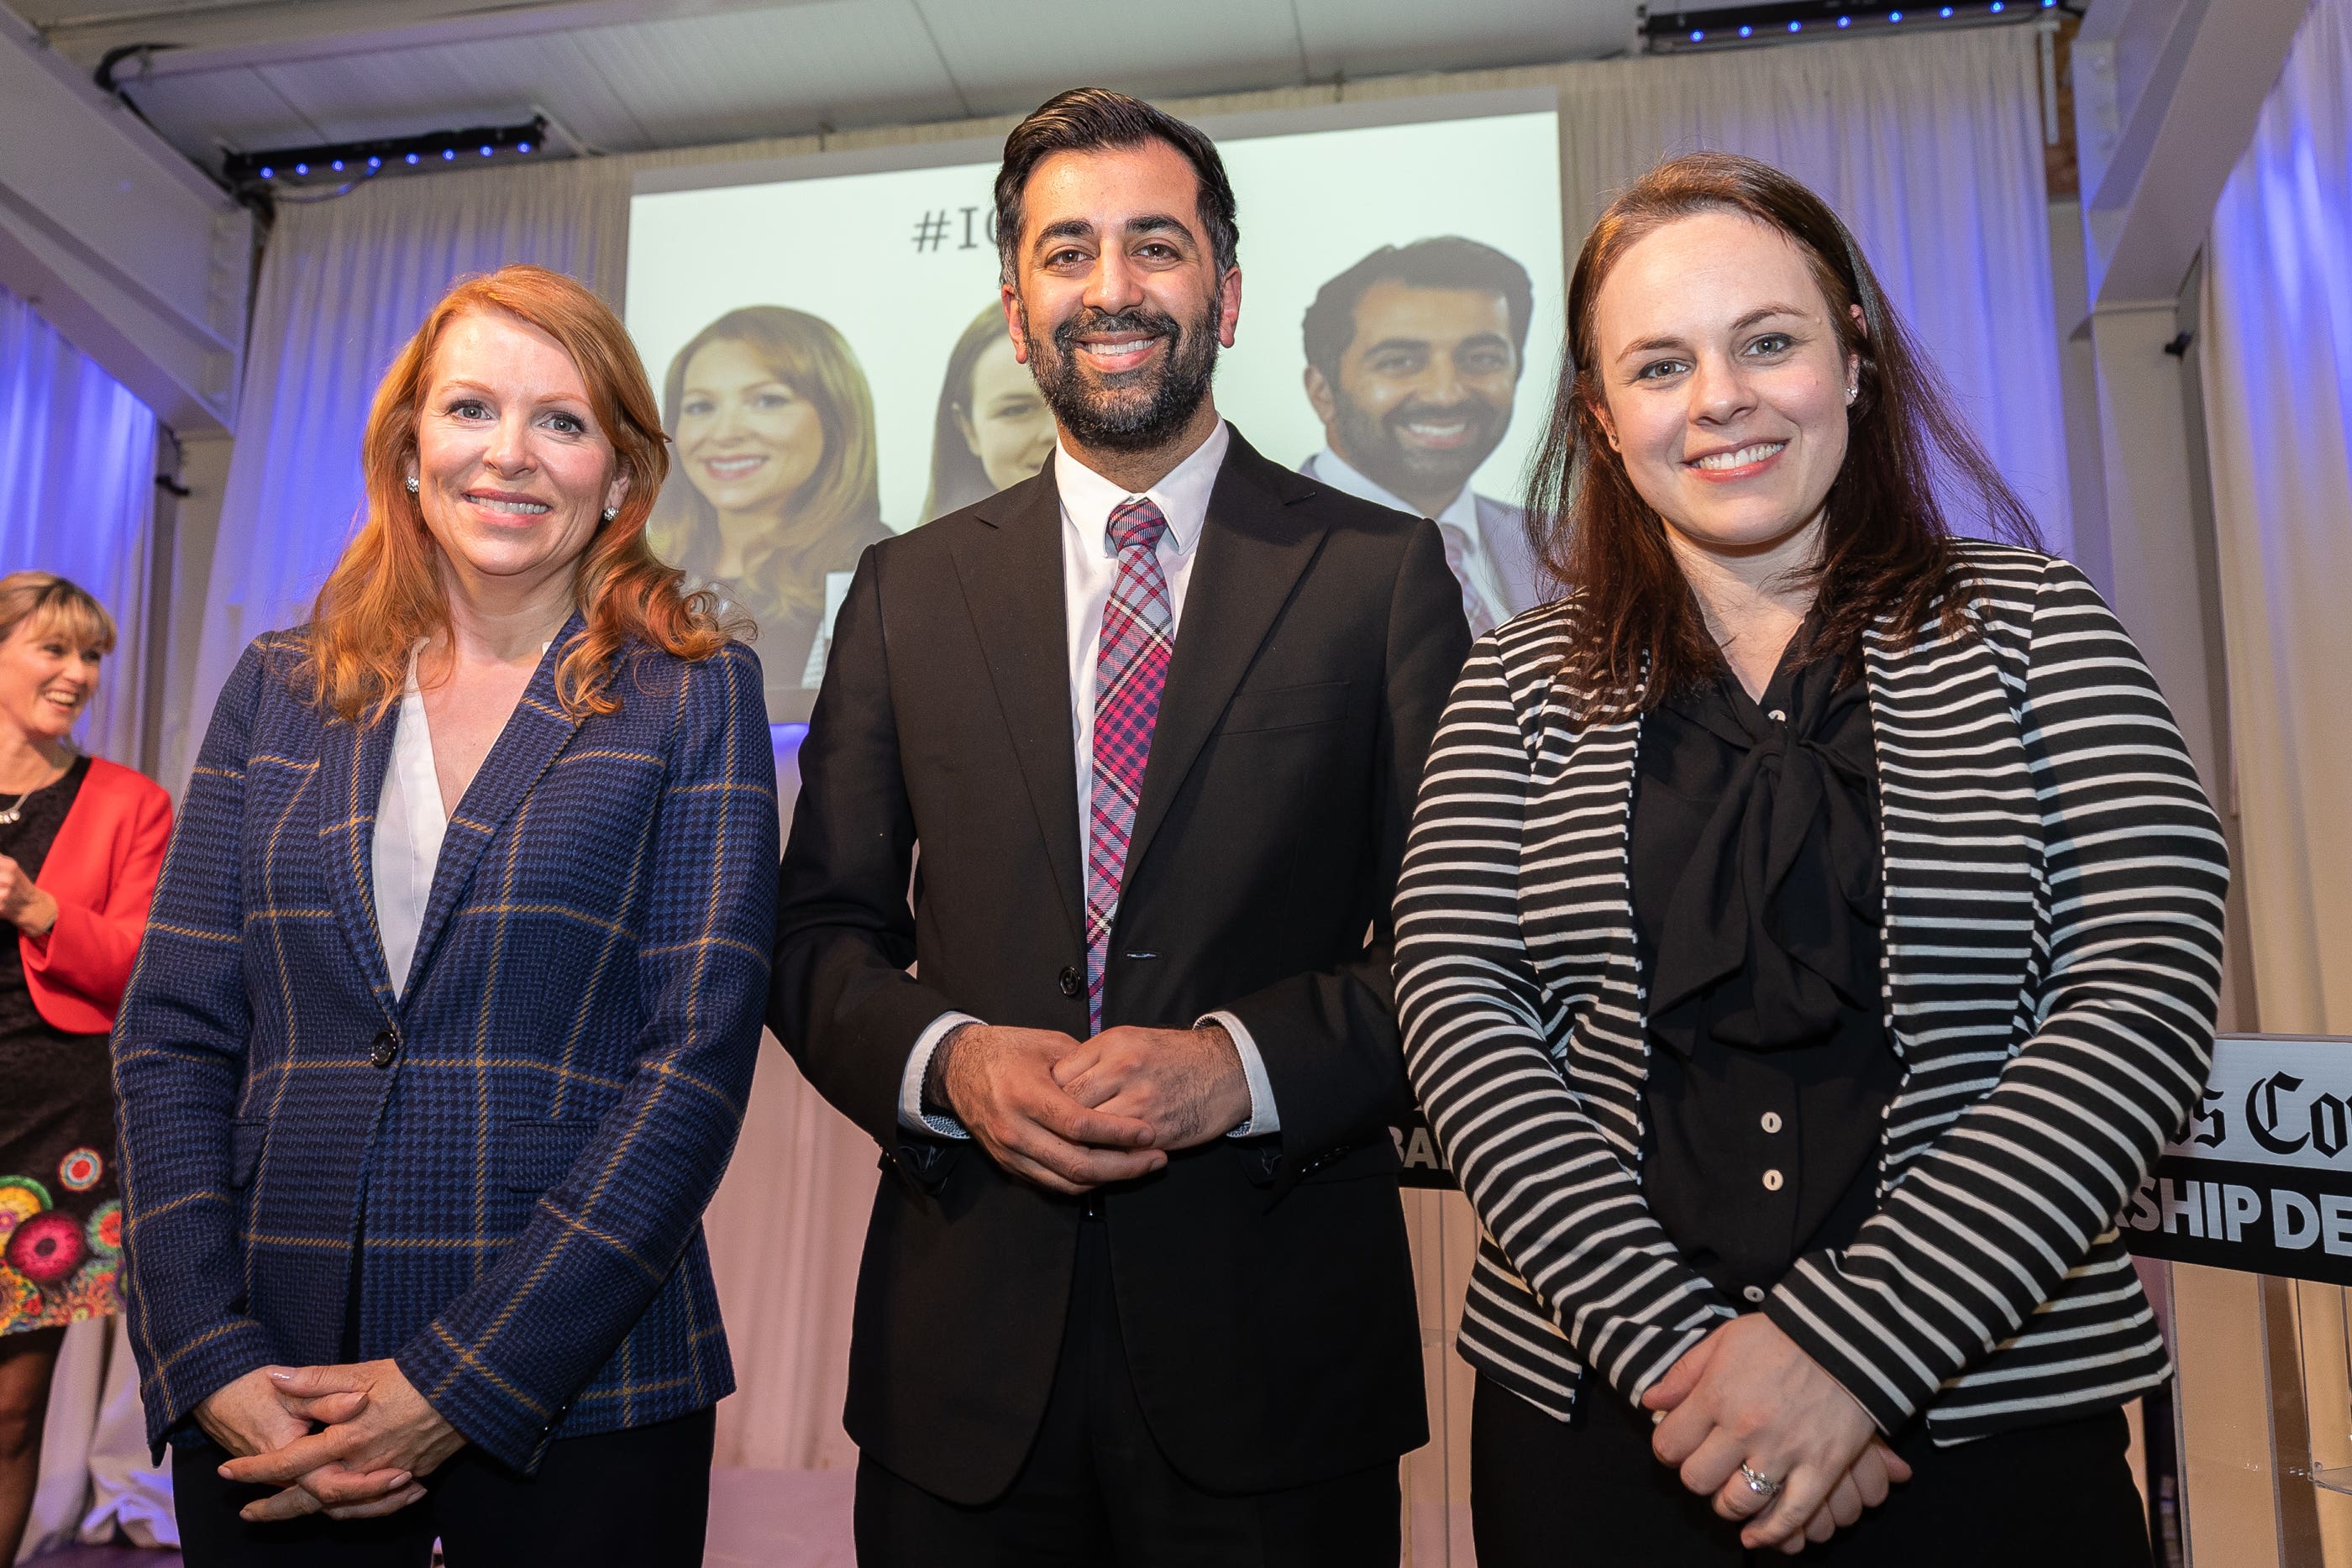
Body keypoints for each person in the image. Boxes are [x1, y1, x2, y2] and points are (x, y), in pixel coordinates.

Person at [1394, 151, 2228, 1565]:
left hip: (1989, 1421)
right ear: (1603, 417)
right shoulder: (1520, 679)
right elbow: (1460, 1008)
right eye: (1661, 365)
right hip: (1611, 1430)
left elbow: (2139, 994)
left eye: (1767, 342)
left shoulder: (2041, 629)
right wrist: (1688, 1363)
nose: (1720, 397)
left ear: (1854, 356)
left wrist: (1850, 1357)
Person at [771, 87, 1468, 1564]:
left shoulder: (1381, 576)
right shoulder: (901, 592)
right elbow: (819, 934)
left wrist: (1241, 1067)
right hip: (959, 1369)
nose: (1113, 288)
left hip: (1278, 1360)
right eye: (1066, 252)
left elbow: (1457, 949)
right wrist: (947, 1060)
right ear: (1016, 309)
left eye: (1156, 246)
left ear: (1225, 284)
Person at [113, 263, 779, 1567]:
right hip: (268, 1378)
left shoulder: (693, 697)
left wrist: (455, 1388)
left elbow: (690, 1068)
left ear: (622, 476)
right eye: (471, 409)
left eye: (563, 421)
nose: (510, 455)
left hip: (580, 1388)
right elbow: (174, 1036)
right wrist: (203, 1349)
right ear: (410, 451)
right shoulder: (278, 690)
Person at [0, 573, 171, 1564]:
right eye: (53, 649)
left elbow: (149, 960)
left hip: (54, 1126)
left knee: (12, 1412)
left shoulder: (129, 803)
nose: (77, 674)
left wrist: (42, 910)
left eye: (91, 655)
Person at [1299, 237, 1545, 631]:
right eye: (1400, 361)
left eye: (1481, 359)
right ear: (1322, 391)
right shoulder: (1246, 553)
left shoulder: (1570, 550)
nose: (1445, 394)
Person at [649, 304, 891, 695]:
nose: (725, 433)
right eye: (700, 407)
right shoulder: (641, 575)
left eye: (767, 401)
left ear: (836, 418)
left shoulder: (882, 576)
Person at [921, 303, 1059, 522]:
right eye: (1017, 410)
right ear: (969, 430)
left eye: (1070, 404)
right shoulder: (917, 555)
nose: (1055, 432)